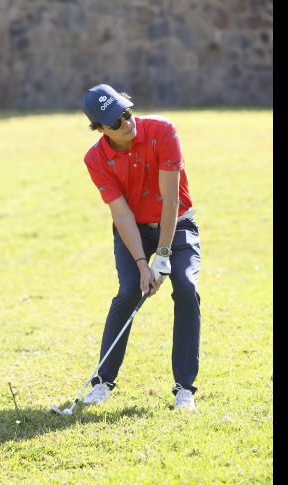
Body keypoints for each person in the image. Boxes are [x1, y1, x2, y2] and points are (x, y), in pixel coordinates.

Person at [80, 83, 201, 412]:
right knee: (131, 289)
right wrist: (141, 263)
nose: (126, 121)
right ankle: (103, 381)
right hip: (133, 227)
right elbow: (121, 213)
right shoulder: (96, 159)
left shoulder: (163, 131)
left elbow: (171, 201)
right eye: (116, 121)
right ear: (101, 129)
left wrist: (162, 257)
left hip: (176, 223)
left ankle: (184, 388)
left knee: (187, 288)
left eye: (126, 112)